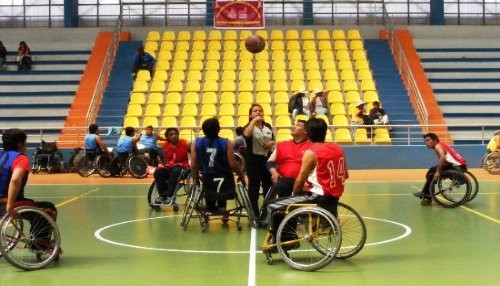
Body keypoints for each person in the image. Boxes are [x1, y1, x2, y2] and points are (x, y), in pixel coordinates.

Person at [266, 118, 349, 246]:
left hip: (317, 197)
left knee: (273, 206)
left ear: (308, 134)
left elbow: (300, 180)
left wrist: (293, 196)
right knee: (289, 199)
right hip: (334, 197)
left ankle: (283, 240)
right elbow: (346, 175)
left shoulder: (311, 152)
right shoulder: (337, 148)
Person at [0, 128, 58, 249]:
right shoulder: (20, 159)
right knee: (48, 209)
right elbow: (15, 179)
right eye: (25, 142)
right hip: (10, 202)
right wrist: (10, 205)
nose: (26, 145)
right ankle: (40, 244)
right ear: (19, 144)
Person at [191, 118, 246, 214]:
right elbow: (233, 165)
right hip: (225, 178)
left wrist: (195, 179)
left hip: (208, 177)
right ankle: (222, 208)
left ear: (203, 130)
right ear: (219, 129)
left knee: (210, 190)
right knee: (223, 185)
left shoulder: (196, 142)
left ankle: (210, 208)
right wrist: (241, 175)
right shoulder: (226, 143)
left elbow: (194, 165)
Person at [413, 133, 467, 205]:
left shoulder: (437, 146)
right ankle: (426, 192)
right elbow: (447, 160)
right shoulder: (441, 144)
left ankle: (427, 196)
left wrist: (438, 172)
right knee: (432, 170)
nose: (426, 143)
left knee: (432, 173)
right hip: (460, 166)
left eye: (428, 140)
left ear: (435, 140)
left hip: (457, 168)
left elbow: (442, 158)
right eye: (425, 141)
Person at [243, 104, 275, 217]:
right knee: (254, 187)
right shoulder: (248, 126)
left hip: (266, 160)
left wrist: (271, 143)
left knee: (268, 187)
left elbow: (273, 140)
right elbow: (246, 135)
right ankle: (254, 213)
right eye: (255, 111)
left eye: (260, 111)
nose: (258, 113)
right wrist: (253, 122)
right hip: (253, 161)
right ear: (251, 115)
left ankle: (266, 213)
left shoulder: (268, 126)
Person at [266, 120, 311, 198]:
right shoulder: (282, 145)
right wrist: (274, 173)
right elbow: (269, 162)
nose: (294, 127)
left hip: (304, 183)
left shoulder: (311, 146)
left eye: (298, 126)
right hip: (283, 182)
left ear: (306, 131)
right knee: (281, 184)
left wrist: (307, 182)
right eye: (294, 125)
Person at [153, 128, 190, 204]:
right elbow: (163, 160)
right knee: (158, 171)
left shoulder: (184, 143)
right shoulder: (165, 145)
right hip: (171, 168)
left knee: (176, 170)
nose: (174, 136)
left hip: (183, 169)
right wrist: (165, 164)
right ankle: (162, 195)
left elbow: (194, 153)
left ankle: (168, 195)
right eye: (171, 134)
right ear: (168, 137)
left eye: (176, 134)